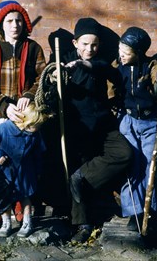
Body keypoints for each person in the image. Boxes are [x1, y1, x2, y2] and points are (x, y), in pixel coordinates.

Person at [62, 17, 133, 243]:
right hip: (78, 129)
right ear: (75, 43)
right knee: (75, 164)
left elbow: (111, 73)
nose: (89, 49)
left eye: (93, 45)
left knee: (124, 154)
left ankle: (82, 177)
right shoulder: (65, 62)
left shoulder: (101, 63)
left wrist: (87, 65)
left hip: (104, 126)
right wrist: (57, 75)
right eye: (84, 44)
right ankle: (83, 224)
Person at [0, 0, 46, 229]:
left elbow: (41, 78)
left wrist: (28, 94)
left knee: (21, 162)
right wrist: (4, 105)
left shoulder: (33, 48)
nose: (14, 25)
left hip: (25, 117)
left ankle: (20, 205)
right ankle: (0, 207)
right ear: (1, 24)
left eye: (18, 20)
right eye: (9, 21)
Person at [113, 27, 157, 232]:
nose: (122, 56)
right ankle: (133, 212)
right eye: (120, 51)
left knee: (150, 166)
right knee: (131, 165)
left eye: (126, 53)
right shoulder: (118, 66)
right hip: (127, 120)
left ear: (138, 53)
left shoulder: (151, 66)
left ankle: (148, 210)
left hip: (149, 122)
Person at [0, 102, 53, 238]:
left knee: (25, 196)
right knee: (4, 199)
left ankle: (27, 221)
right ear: (27, 122)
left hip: (23, 171)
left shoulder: (35, 134)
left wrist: (39, 170)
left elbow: (38, 153)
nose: (37, 128)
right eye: (36, 125)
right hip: (3, 170)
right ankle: (6, 222)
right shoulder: (2, 129)